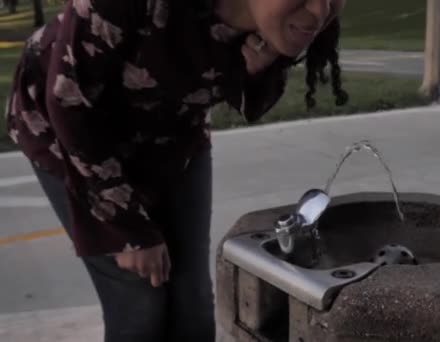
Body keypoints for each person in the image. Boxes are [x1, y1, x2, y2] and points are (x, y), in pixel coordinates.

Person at [5, 0, 348, 341]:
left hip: (173, 133)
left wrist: (263, 63)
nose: (319, 11)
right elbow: (67, 101)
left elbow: (251, 101)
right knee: (139, 305)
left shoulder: (284, 19)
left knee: (193, 304)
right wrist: (129, 228)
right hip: (71, 132)